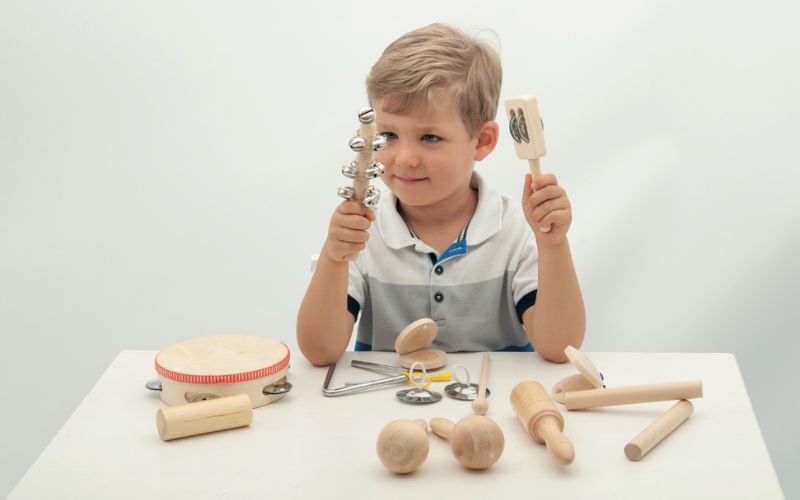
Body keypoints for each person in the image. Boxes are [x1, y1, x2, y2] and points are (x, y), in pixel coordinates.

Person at [297, 23, 584, 366]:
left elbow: (559, 347)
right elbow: (318, 352)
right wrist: (333, 256)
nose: (405, 159)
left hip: (495, 409)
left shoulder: (517, 231)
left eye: (430, 138)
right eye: (388, 134)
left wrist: (553, 245)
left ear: (482, 141)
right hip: (382, 408)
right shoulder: (362, 234)